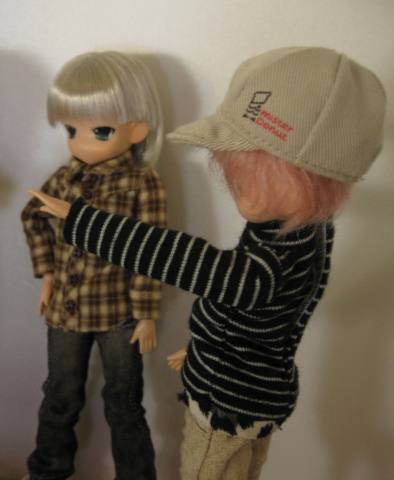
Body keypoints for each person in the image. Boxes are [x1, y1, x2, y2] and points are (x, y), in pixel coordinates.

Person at [30, 46, 386, 480]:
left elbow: (203, 266)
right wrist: (206, 348)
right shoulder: (301, 233)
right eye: (234, 174)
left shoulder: (274, 260)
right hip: (244, 390)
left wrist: (85, 222)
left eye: (251, 177)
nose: (237, 187)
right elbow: (260, 318)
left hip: (227, 405)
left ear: (313, 180)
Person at [20, 51, 167, 480]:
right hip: (65, 312)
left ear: (136, 129)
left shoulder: (142, 182)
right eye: (71, 130)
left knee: (124, 402)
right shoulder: (64, 178)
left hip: (120, 314)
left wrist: (146, 313)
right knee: (59, 396)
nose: (82, 142)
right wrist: (48, 273)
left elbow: (151, 249)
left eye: (100, 131)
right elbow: (32, 216)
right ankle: (47, 472)